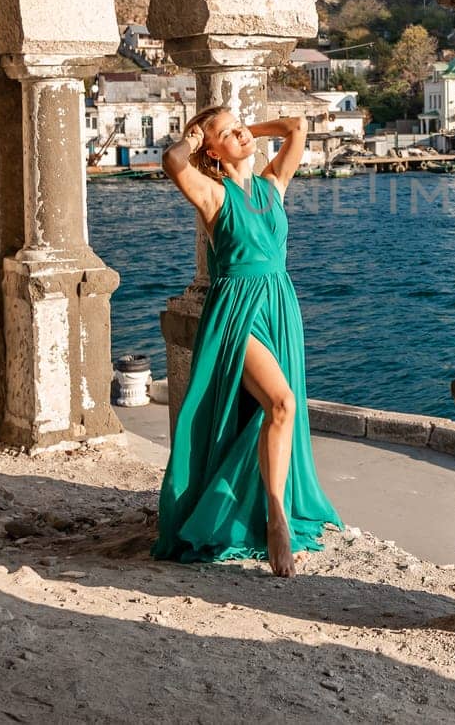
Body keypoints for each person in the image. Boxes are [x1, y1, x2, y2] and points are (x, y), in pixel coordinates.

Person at [152, 106, 340, 577]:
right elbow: (172, 163)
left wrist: (242, 131)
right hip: (238, 314)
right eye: (227, 133)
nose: (239, 133)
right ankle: (277, 519)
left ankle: (258, 507)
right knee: (282, 404)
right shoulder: (214, 196)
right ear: (211, 150)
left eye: (240, 126)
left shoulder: (272, 185)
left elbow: (296, 127)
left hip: (279, 304)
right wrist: (197, 140)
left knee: (269, 413)